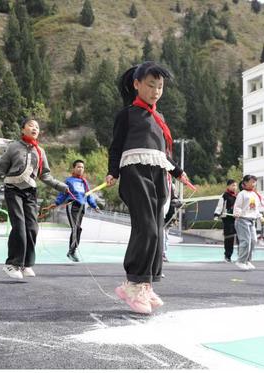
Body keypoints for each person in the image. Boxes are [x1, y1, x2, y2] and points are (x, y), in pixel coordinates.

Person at [106, 61, 190, 314]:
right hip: (134, 171)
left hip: (157, 173)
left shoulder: (159, 118)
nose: (155, 91)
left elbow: (162, 152)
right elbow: (116, 146)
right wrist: (112, 171)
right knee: (147, 228)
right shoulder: (127, 114)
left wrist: (179, 171)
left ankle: (147, 283)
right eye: (151, 85)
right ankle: (133, 283)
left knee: (157, 229)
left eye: (160, 87)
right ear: (137, 84)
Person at [0, 119, 68, 280]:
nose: (35, 128)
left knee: (32, 228)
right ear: (23, 129)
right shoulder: (13, 147)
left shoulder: (40, 152)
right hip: (13, 190)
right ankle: (11, 264)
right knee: (20, 227)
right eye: (31, 125)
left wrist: (63, 187)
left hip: (30, 192)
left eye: (37, 126)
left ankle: (26, 264)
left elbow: (45, 175)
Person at [49, 159, 100, 262]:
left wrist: (94, 206)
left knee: (78, 229)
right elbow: (62, 194)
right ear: (74, 168)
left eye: (82, 167)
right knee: (76, 228)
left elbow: (88, 195)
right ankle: (72, 251)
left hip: (81, 208)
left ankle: (72, 250)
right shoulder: (69, 181)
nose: (80, 169)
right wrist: (56, 203)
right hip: (72, 206)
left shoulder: (84, 182)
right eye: (78, 167)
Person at [233, 175, 264, 271]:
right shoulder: (242, 194)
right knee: (246, 241)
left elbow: (255, 208)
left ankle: (247, 260)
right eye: (252, 182)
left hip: (251, 220)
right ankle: (241, 261)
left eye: (254, 182)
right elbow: (237, 206)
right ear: (245, 183)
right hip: (242, 220)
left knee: (253, 240)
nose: (253, 184)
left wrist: (260, 216)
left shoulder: (254, 195)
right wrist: (237, 212)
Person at [214, 179, 237, 262]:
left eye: (235, 185)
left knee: (239, 238)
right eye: (233, 185)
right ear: (228, 186)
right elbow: (219, 206)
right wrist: (216, 214)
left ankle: (241, 257)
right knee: (229, 238)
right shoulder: (224, 195)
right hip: (227, 219)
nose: (234, 187)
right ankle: (227, 256)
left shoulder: (238, 195)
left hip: (237, 219)